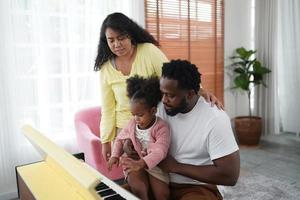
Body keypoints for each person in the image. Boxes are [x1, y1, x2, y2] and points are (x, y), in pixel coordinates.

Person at [94, 12, 223, 162]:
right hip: (125, 131)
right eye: (111, 40)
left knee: (159, 176)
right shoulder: (106, 68)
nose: (116, 44)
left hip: (153, 125)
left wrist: (200, 90)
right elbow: (108, 108)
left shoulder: (148, 51)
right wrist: (105, 142)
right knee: (136, 179)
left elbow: (172, 76)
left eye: (121, 38)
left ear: (130, 35)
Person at [122, 60, 240, 200]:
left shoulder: (215, 119)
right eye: (162, 93)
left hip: (196, 187)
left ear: (190, 94)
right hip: (156, 178)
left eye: (171, 96)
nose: (164, 100)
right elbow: (136, 127)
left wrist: (176, 167)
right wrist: (129, 143)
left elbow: (230, 175)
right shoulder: (157, 105)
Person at [108, 75, 170, 200]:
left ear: (153, 111)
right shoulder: (132, 123)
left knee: (162, 194)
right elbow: (120, 139)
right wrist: (115, 155)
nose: (136, 119)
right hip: (135, 162)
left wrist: (142, 163)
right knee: (139, 188)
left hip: (155, 166)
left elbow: (160, 151)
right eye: (133, 115)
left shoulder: (161, 127)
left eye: (140, 115)